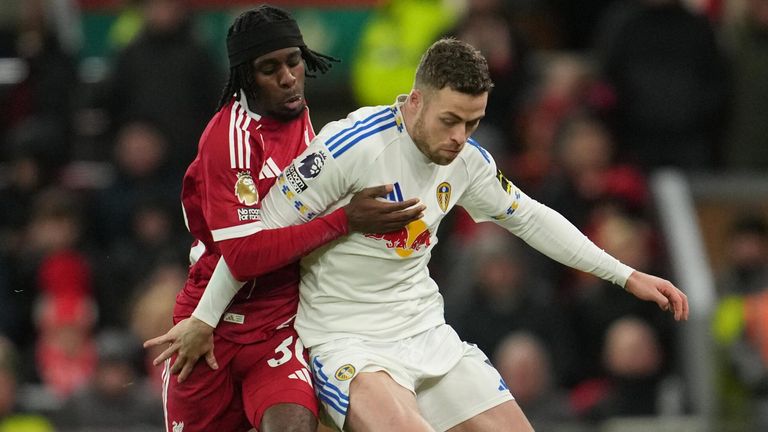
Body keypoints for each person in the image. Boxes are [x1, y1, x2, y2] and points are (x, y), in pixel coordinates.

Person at [149, 37, 688, 431]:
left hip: (428, 334)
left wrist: (625, 274)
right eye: (450, 120)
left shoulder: (468, 162)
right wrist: (204, 316)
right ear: (416, 100)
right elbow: (251, 241)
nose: (460, 138)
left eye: (472, 123)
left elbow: (528, 215)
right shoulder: (348, 148)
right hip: (346, 343)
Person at [144, 5, 424, 432]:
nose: (288, 76)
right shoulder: (230, 140)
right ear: (244, 76)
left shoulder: (298, 110)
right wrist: (345, 220)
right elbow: (243, 256)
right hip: (210, 331)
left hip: (277, 329)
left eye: (293, 60)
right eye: (268, 68)